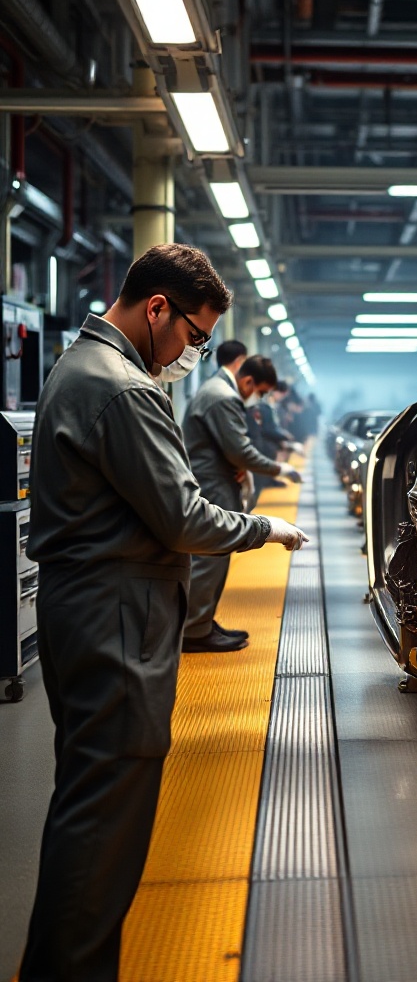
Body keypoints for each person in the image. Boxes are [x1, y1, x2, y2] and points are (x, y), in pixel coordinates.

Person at [20, 243, 308, 982]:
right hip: (116, 615)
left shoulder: (83, 367)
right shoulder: (124, 388)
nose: (193, 353)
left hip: (90, 608)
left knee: (90, 803)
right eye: (194, 335)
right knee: (105, 822)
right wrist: (263, 528)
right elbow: (181, 517)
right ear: (158, 308)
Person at [181, 354, 302, 652]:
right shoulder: (223, 397)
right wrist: (279, 468)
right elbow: (240, 451)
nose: (259, 399)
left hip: (217, 477)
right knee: (210, 554)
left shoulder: (217, 390)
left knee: (217, 552)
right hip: (212, 482)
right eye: (260, 392)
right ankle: (194, 629)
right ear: (248, 381)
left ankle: (203, 622)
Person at [248, 379, 301, 502]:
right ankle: (267, 482)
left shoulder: (268, 405)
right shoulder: (264, 406)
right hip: (261, 444)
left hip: (261, 443)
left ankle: (268, 480)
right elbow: (268, 428)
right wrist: (284, 436)